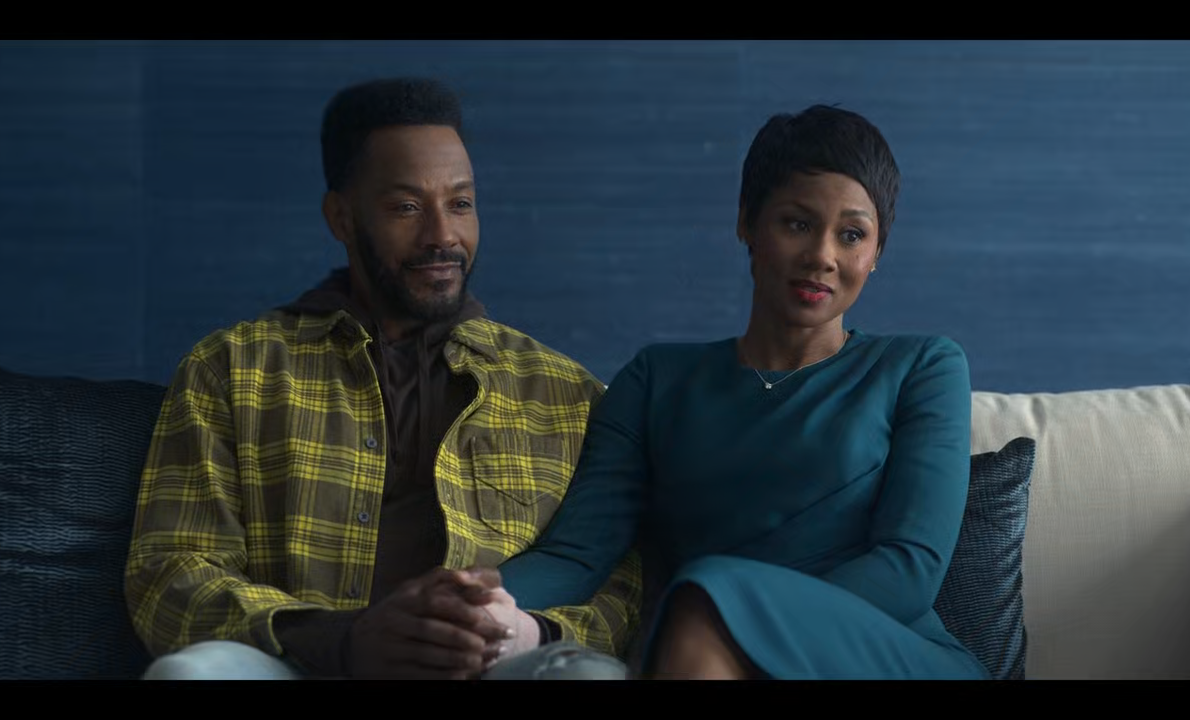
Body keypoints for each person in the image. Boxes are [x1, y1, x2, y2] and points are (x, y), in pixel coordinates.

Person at [124, 77, 641, 680]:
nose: (442, 235)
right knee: (192, 674)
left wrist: (530, 631)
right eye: (406, 207)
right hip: (300, 663)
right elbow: (170, 571)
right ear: (342, 217)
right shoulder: (233, 368)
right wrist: (343, 639)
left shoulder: (568, 394)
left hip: (495, 668)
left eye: (460, 203)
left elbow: (626, 587)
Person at [492, 104, 992, 680]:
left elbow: (909, 569)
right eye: (797, 224)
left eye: (852, 235)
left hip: (876, 653)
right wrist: (476, 594)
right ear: (747, 223)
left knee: (706, 596)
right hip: (702, 646)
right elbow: (576, 556)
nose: (822, 256)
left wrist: (740, 617)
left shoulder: (921, 367)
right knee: (701, 604)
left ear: (876, 253)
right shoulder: (656, 379)